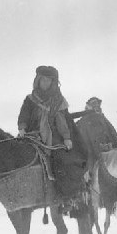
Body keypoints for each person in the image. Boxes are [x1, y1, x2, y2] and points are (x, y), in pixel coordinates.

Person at [17, 65, 87, 193]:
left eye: (48, 80)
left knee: (62, 160)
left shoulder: (58, 101)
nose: (45, 83)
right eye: (43, 80)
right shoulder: (30, 99)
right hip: (33, 134)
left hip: (54, 136)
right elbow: (24, 114)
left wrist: (66, 138)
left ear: (53, 82)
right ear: (38, 80)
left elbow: (62, 122)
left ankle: (63, 192)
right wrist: (22, 128)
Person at [75, 96, 117, 168]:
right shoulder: (84, 121)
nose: (96, 106)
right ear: (88, 106)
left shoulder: (102, 118)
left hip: (107, 149)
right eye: (94, 104)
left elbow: (112, 132)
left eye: (97, 104)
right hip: (92, 153)